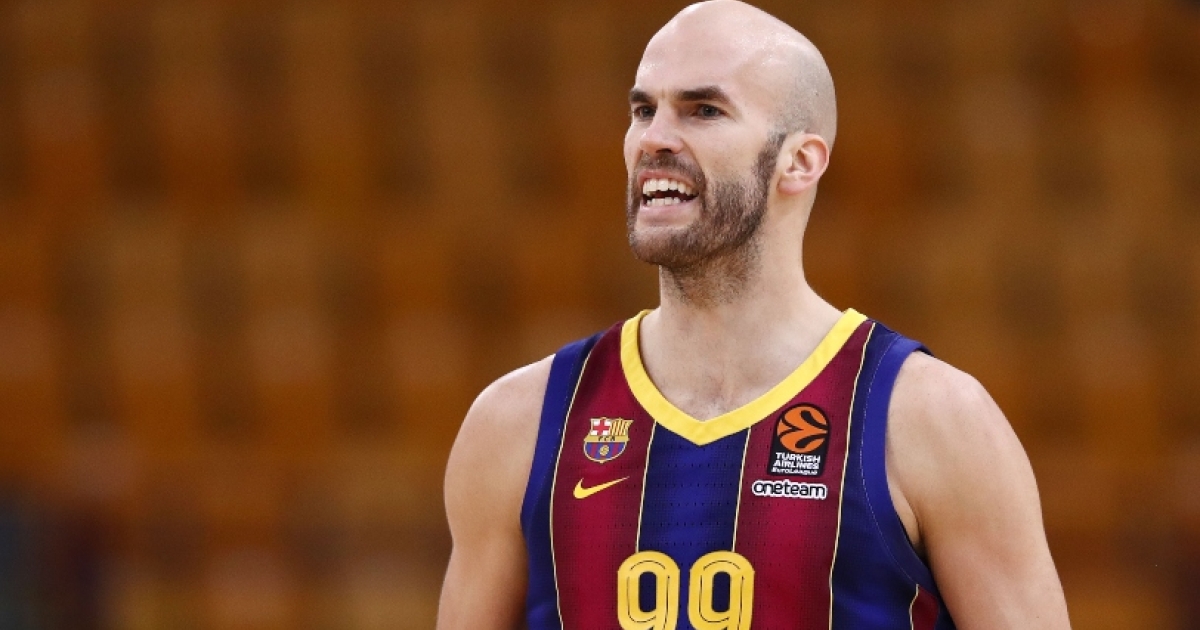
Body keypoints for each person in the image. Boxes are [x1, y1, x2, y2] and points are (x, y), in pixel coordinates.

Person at [438, 1, 1071, 628]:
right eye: (644, 110)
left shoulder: (932, 419)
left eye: (704, 110)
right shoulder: (518, 422)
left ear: (800, 161)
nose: (654, 138)